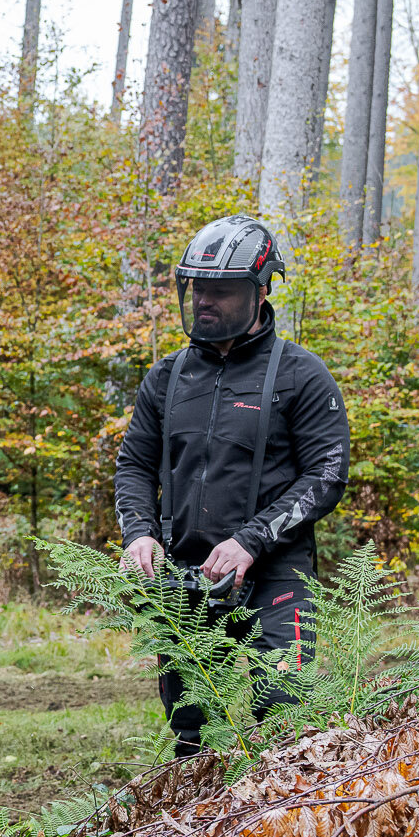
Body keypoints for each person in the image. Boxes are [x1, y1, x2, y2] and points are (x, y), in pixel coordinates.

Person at [113, 214, 352, 755]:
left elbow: (327, 475)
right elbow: (134, 466)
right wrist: (138, 534)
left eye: (221, 291)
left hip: (277, 575)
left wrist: (251, 539)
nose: (206, 301)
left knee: (282, 716)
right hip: (187, 574)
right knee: (194, 729)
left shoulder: (302, 375)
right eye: (199, 289)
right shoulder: (166, 377)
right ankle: (200, 833)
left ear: (260, 290)